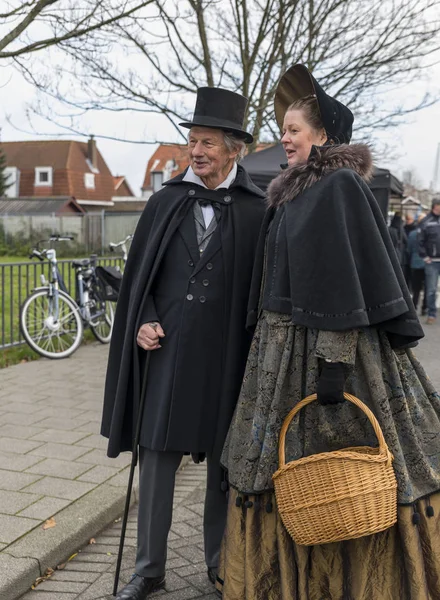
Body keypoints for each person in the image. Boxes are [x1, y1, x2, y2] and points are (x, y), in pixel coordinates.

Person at [217, 64, 440, 600]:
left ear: (322, 136)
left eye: (294, 131)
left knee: (345, 466)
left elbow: (340, 279)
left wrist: (334, 363)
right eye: (284, 130)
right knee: (284, 468)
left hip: (328, 350)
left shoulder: (336, 186)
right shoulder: (294, 192)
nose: (285, 140)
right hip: (281, 347)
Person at [101, 87, 266, 599]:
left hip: (225, 360)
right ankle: (148, 569)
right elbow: (139, 282)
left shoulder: (257, 209)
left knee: (223, 466)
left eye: (209, 142)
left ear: (234, 148)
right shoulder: (165, 201)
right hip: (167, 355)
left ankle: (220, 565)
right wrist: (142, 321)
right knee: (155, 463)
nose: (197, 150)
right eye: (192, 140)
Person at [418, 198, 440, 324]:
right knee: (431, 290)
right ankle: (431, 314)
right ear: (434, 207)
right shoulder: (426, 221)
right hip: (432, 262)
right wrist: (425, 257)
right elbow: (420, 240)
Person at [407, 212, 427, 315]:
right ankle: (424, 307)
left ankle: (414, 306)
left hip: (415, 263)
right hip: (428, 263)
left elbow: (409, 249)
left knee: (416, 288)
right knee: (427, 287)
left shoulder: (413, 234)